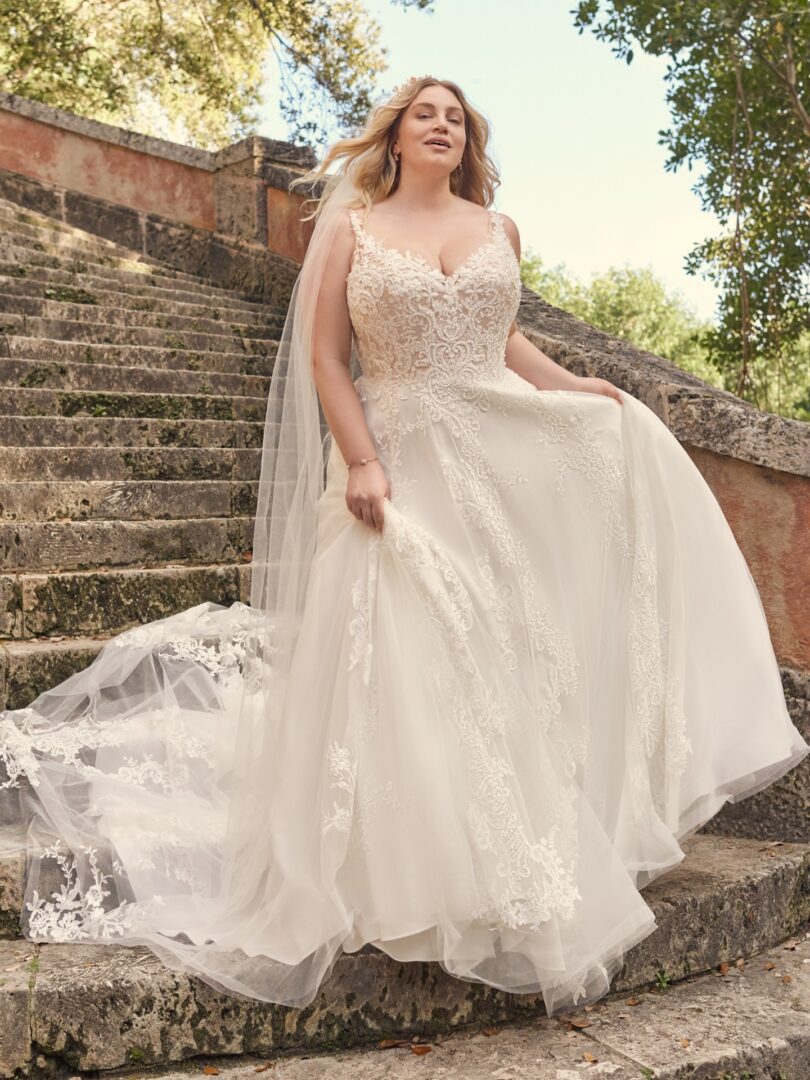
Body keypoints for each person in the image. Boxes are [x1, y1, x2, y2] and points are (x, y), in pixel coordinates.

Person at [0, 75, 807, 1020]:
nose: (441, 125)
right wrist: (361, 460)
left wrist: (578, 385)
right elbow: (326, 360)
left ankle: (508, 849)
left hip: (500, 456)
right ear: (395, 134)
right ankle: (414, 872)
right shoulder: (351, 228)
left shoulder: (499, 229)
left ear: (469, 142)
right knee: (421, 653)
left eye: (455, 117)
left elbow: (506, 343)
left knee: (504, 647)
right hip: (405, 460)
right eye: (425, 112)